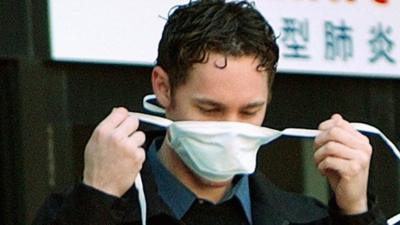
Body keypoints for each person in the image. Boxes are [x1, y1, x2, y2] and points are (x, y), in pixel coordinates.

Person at [33, 1, 388, 225]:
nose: (231, 129)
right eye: (210, 109)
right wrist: (98, 199)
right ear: (164, 88)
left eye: (250, 110)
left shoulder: (305, 217)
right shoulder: (93, 209)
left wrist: (354, 210)